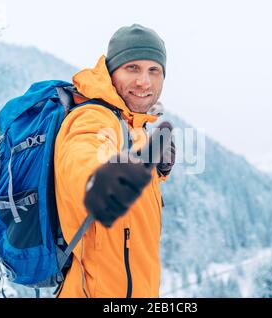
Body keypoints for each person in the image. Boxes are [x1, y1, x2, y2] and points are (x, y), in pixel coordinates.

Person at [54, 24, 176, 298]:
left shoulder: (132, 125)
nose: (144, 82)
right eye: (132, 68)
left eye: (153, 70)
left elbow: (129, 175)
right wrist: (100, 181)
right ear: (111, 72)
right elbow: (82, 158)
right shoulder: (94, 117)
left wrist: (158, 170)